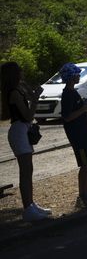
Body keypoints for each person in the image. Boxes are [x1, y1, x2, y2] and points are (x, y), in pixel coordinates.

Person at [0, 62, 51, 221]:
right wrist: (35, 99)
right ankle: (28, 208)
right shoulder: (14, 92)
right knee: (25, 171)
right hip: (19, 131)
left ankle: (31, 204)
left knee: (28, 170)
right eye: (19, 70)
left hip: (21, 130)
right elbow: (28, 115)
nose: (23, 72)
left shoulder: (18, 88)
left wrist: (31, 91)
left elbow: (30, 95)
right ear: (14, 73)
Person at [59, 63, 87, 208]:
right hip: (78, 136)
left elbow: (76, 110)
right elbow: (67, 117)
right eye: (77, 74)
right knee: (84, 164)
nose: (79, 76)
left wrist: (84, 106)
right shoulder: (67, 94)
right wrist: (84, 108)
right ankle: (82, 196)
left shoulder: (73, 92)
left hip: (83, 134)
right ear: (71, 77)